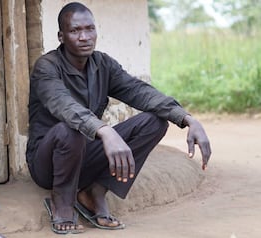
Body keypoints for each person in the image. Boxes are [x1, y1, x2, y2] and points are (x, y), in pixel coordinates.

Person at [26, 1, 211, 235]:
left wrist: (187, 119)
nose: (84, 37)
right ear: (61, 36)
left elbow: (139, 92)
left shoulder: (102, 64)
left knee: (154, 122)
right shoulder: (47, 67)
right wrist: (105, 130)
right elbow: (65, 106)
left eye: (89, 29)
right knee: (70, 128)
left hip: (85, 155)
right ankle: (62, 201)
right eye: (75, 31)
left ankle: (95, 191)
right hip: (48, 164)